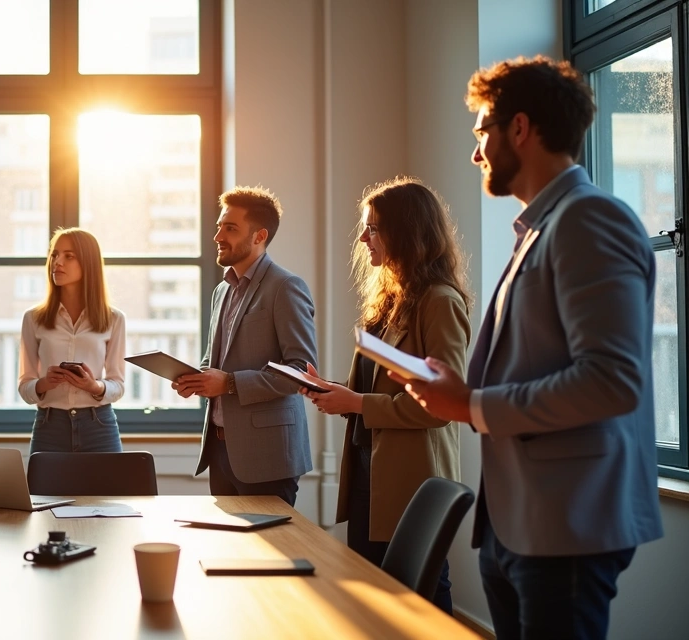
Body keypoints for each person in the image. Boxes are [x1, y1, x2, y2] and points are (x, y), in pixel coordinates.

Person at [399, 56, 663, 639]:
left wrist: (470, 405)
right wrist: (458, 388)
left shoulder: (589, 219)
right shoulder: (540, 229)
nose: (476, 154)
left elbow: (611, 380)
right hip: (518, 521)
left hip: (565, 523)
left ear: (519, 128)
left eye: (481, 134)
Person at [299, 177, 470, 614]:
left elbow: (440, 408)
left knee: (420, 599)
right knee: (378, 598)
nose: (363, 238)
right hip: (369, 473)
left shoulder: (439, 301)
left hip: (411, 478)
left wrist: (355, 404)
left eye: (372, 228)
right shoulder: (391, 300)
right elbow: (379, 389)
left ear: (406, 232)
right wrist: (337, 392)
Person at [172, 186, 318, 507]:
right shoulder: (221, 292)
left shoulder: (286, 287)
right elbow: (216, 361)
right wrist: (194, 378)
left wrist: (229, 383)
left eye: (231, 228)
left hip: (267, 455)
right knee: (230, 554)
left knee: (269, 556)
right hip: (220, 450)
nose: (218, 236)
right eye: (219, 226)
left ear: (259, 236)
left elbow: (301, 371)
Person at [18, 228, 126, 453]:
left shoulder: (114, 319)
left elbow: (118, 384)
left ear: (88, 264)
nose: (57, 262)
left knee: (111, 489)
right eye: (54, 255)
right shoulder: (33, 318)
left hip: (99, 426)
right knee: (42, 489)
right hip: (49, 427)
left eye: (69, 256)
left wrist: (94, 386)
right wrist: (44, 383)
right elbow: (24, 387)